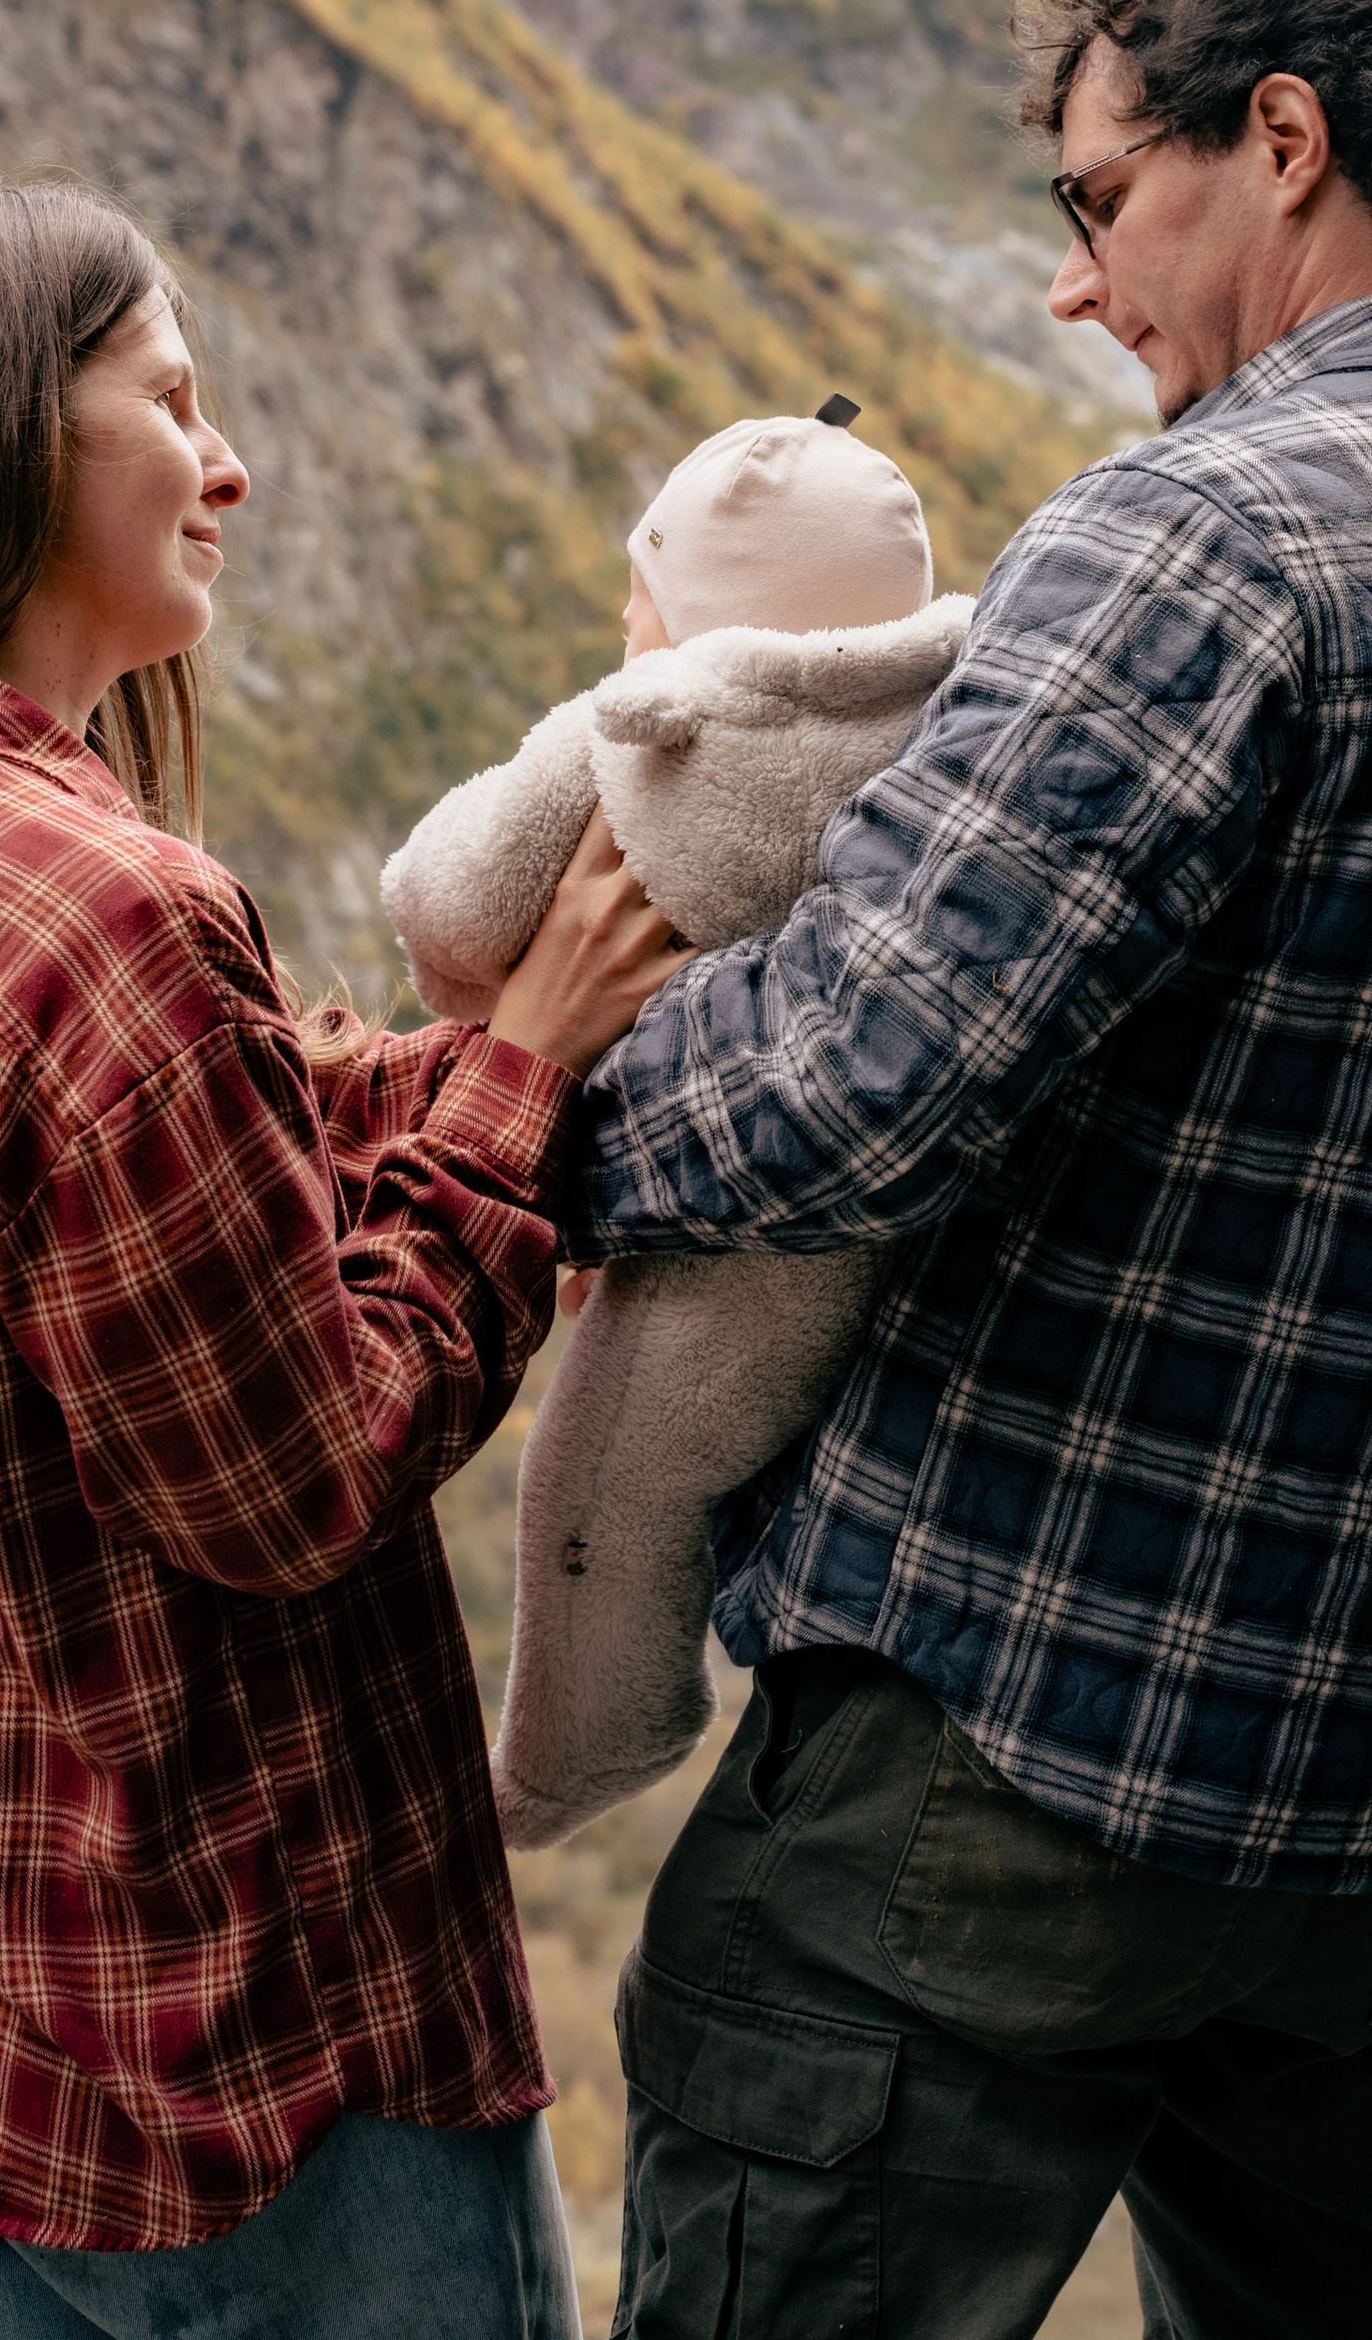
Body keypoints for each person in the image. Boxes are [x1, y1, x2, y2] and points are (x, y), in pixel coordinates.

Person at [566, 0, 1372, 2340]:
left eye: (1101, 203)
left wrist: (500, 1109)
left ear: (1278, 140)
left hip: (1009, 1759)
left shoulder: (1207, 530)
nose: (1078, 286)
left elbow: (847, 1077)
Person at [0, 180, 671, 2340]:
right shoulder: (97, 909)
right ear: (5, 446)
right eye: (171, 399)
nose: (224, 460)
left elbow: (188, 1158)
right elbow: (306, 1467)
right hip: (233, 2084)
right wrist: (519, 1084)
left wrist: (469, 1079)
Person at [381, 407, 970, 1849]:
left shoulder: (650, 730)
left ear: (694, 614)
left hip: (716, 1234)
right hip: (894, 1205)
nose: (619, 618)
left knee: (607, 1475)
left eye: (639, 591)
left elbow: (447, 898)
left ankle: (578, 1752)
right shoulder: (958, 728)